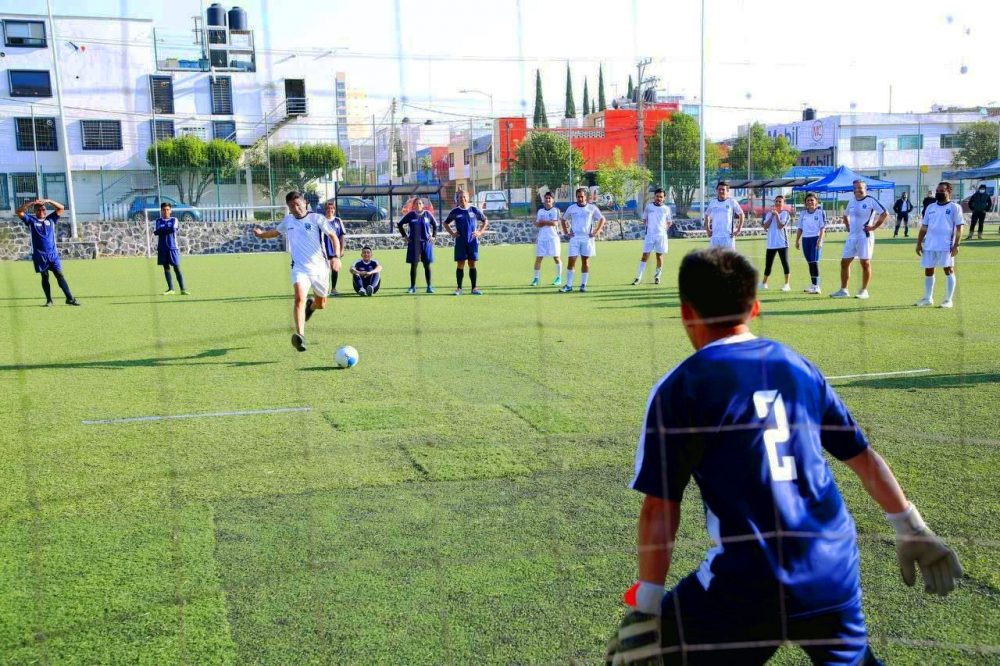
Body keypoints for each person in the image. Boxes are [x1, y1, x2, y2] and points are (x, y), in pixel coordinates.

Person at [605, 248, 963, 665]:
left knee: (648, 654)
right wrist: (912, 527)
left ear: (686, 313)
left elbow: (659, 508)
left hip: (747, 580)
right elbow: (863, 458)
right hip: (833, 566)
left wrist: (646, 605)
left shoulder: (683, 386)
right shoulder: (799, 367)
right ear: (754, 307)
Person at [252, 191, 342, 352]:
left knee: (321, 304)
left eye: (298, 204)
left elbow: (333, 236)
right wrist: (261, 235)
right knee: (299, 298)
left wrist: (335, 257)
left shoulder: (316, 218)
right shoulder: (288, 221)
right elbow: (275, 232)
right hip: (299, 268)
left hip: (320, 268)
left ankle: (311, 307)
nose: (296, 208)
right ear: (288, 207)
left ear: (304, 203)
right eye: (292, 206)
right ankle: (300, 336)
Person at [15, 197, 80, 307]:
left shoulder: (51, 219)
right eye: (39, 210)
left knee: (60, 276)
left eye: (44, 209)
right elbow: (19, 211)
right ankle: (49, 300)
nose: (42, 211)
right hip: (40, 255)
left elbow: (61, 208)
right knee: (45, 277)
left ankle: (69, 298)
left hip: (53, 255)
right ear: (35, 211)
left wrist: (49, 201)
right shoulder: (31, 221)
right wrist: (32, 203)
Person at [830, 180, 887, 300]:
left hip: (864, 237)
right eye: (854, 188)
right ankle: (843, 290)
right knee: (844, 262)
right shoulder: (851, 201)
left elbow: (884, 213)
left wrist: (874, 227)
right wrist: (847, 226)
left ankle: (864, 290)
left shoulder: (870, 200)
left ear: (865, 189)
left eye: (860, 188)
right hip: (852, 237)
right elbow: (845, 215)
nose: (857, 190)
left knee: (865, 263)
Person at [915, 182, 963, 308]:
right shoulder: (930, 207)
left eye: (941, 190)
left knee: (948, 269)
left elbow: (959, 228)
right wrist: (919, 243)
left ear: (949, 192)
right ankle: (928, 298)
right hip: (930, 244)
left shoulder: (955, 207)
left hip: (946, 245)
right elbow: (924, 227)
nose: (938, 192)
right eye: (937, 190)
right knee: (929, 270)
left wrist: (956, 245)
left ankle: (948, 300)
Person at [560, 187, 606, 293]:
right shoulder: (572, 208)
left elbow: (602, 219)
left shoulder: (592, 208)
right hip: (574, 238)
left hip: (587, 238)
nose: (580, 198)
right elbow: (563, 219)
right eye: (578, 196)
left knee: (585, 261)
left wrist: (596, 231)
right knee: (571, 260)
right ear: (576, 197)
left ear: (586, 197)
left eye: (582, 196)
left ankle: (583, 285)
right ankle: (569, 285)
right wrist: (566, 232)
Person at [443, 190, 488, 295]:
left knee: (472, 264)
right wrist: (452, 233)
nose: (462, 199)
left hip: (472, 242)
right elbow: (445, 223)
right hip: (460, 242)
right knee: (460, 264)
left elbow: (485, 221)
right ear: (457, 199)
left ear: (468, 198)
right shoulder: (455, 211)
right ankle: (459, 288)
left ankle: (474, 288)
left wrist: (480, 232)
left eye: (464, 197)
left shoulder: (474, 209)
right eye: (460, 197)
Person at [632, 188, 672, 286]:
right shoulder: (649, 207)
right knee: (645, 256)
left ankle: (657, 276)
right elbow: (644, 219)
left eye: (661, 197)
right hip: (650, 236)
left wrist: (664, 229)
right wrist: (649, 228)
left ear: (664, 198)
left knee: (659, 256)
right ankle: (638, 277)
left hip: (661, 236)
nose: (659, 198)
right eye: (657, 196)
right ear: (654, 196)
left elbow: (669, 222)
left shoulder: (666, 209)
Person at [398, 197, 437, 294]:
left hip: (426, 243)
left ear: (423, 205)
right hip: (414, 244)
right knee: (414, 265)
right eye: (416, 204)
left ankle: (429, 287)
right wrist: (405, 236)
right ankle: (412, 287)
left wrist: (433, 236)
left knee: (427, 265)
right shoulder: (411, 215)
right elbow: (400, 224)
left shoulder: (428, 214)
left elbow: (435, 225)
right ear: (413, 205)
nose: (418, 205)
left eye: (420, 203)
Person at [794, 192, 827, 294]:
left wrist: (820, 240)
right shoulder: (803, 213)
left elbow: (822, 228)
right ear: (805, 203)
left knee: (814, 262)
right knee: (810, 263)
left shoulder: (820, 212)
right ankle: (813, 285)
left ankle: (817, 286)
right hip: (805, 240)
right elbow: (800, 228)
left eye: (812, 200)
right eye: (808, 200)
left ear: (816, 202)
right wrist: (797, 240)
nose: (810, 202)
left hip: (815, 239)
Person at [153, 202, 188, 295]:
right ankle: (171, 289)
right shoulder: (158, 221)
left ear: (170, 210)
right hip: (162, 248)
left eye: (167, 209)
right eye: (164, 210)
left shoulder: (174, 220)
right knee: (166, 268)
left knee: (177, 267)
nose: (166, 211)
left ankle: (183, 289)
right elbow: (156, 232)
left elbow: (172, 229)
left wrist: (162, 230)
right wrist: (164, 230)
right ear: (161, 211)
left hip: (173, 248)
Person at [759, 195, 791, 291]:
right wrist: (772, 216)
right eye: (776, 201)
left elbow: (780, 226)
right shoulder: (769, 214)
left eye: (779, 201)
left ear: (783, 203)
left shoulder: (785, 214)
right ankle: (764, 283)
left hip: (782, 243)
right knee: (768, 264)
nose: (777, 203)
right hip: (771, 244)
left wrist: (777, 215)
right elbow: (765, 227)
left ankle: (787, 284)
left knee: (785, 263)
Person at [531, 191, 563, 287]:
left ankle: (559, 278)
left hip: (553, 238)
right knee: (538, 259)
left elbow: (554, 223)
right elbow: (537, 224)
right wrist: (545, 222)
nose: (547, 200)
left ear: (553, 200)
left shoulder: (555, 210)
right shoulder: (540, 211)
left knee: (556, 258)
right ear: (543, 199)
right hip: (542, 238)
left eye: (549, 198)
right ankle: (536, 279)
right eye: (546, 198)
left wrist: (543, 222)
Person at [704, 181, 744, 250]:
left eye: (723, 189)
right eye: (719, 189)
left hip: (728, 237)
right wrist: (707, 229)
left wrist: (739, 229)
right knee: (713, 259)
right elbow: (707, 215)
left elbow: (741, 214)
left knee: (729, 259)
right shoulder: (713, 202)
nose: (721, 191)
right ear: (717, 190)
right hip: (715, 236)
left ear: (727, 191)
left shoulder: (732, 201)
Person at [320, 201, 346, 295]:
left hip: (335, 250)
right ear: (325, 210)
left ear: (334, 210)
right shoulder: (321, 220)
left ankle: (334, 288)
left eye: (332, 208)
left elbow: (341, 236)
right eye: (328, 208)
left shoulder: (338, 221)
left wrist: (341, 249)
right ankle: (325, 288)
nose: (330, 210)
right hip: (323, 249)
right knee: (324, 270)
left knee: (335, 269)